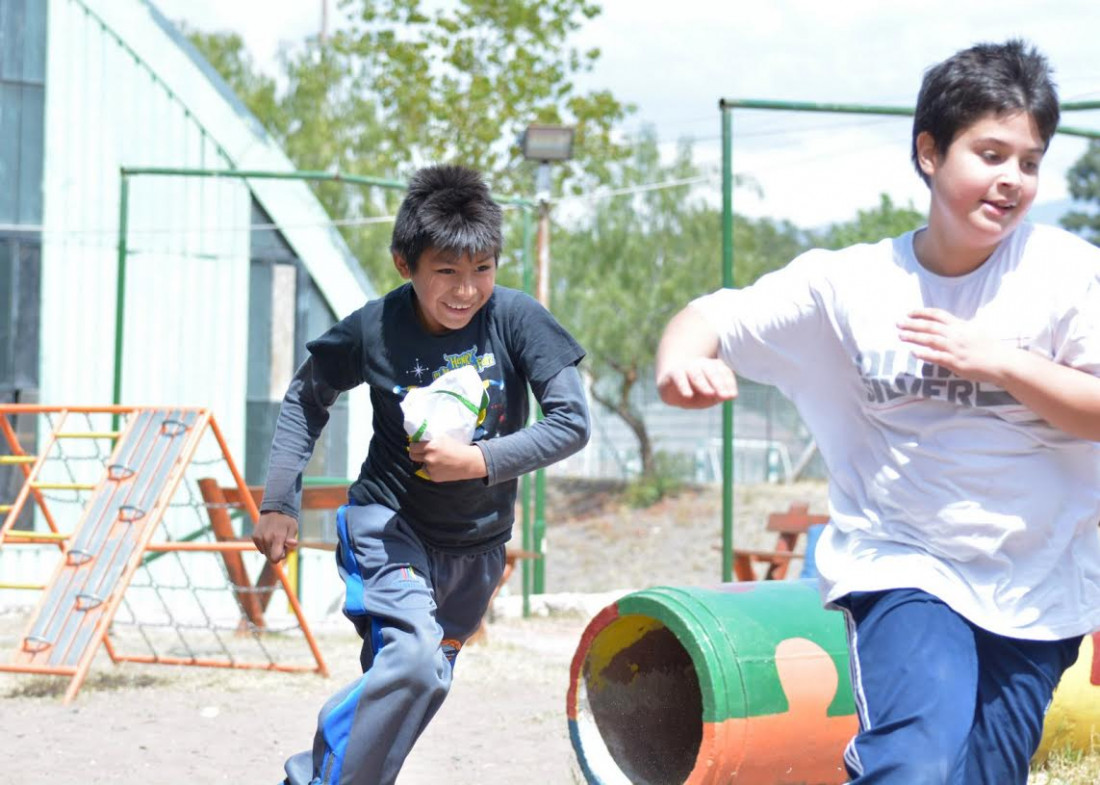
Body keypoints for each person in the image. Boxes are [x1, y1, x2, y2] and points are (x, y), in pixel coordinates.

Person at [654, 39, 1100, 784]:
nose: (1012, 180)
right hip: (906, 560)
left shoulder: (1068, 275)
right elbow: (710, 316)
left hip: (1040, 581)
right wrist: (680, 362)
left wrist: (1000, 361)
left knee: (982, 774)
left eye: (1029, 161)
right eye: (990, 154)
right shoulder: (853, 284)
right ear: (929, 152)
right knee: (914, 759)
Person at [252, 164, 590, 785]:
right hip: (390, 525)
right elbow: (306, 398)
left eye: (482, 270)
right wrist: (280, 500)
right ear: (405, 264)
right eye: (447, 272)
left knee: (421, 681)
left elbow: (572, 422)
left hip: (478, 546)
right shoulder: (374, 327)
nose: (466, 290)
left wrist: (480, 461)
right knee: (410, 663)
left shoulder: (517, 320)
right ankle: (309, 776)